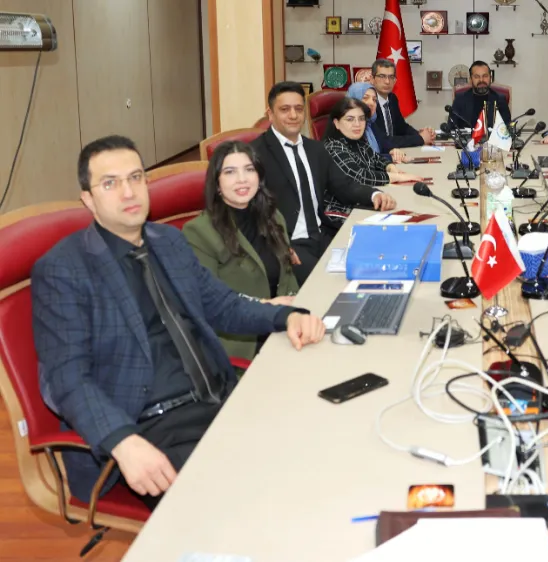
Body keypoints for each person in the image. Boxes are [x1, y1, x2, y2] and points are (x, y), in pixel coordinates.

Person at [32, 135, 327, 510]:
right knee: (248, 506)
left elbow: (223, 305)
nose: (128, 192)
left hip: (219, 399)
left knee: (314, 449)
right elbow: (66, 378)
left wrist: (286, 315)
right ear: (88, 199)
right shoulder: (63, 269)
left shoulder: (167, 241)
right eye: (110, 183)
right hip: (151, 427)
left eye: (136, 177)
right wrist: (122, 440)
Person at [250, 81, 396, 284]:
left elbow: (343, 185)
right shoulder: (254, 154)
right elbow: (248, 212)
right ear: (270, 114)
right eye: (285, 109)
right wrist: (274, 246)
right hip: (288, 245)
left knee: (376, 263)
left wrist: (374, 194)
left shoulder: (315, 149)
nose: (293, 115)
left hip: (322, 234)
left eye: (298, 109)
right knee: (331, 285)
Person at [182, 140, 300, 362]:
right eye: (230, 172)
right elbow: (208, 302)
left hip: (284, 329)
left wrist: (301, 313)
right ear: (217, 183)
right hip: (244, 343)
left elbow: (288, 278)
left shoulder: (273, 218)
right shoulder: (199, 232)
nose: (242, 179)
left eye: (249, 169)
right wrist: (267, 307)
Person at [323, 97, 424, 189]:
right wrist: (396, 177)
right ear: (336, 123)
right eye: (350, 119)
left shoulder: (359, 141)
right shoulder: (333, 147)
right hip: (346, 203)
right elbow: (360, 176)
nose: (357, 124)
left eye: (361, 119)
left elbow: (375, 158)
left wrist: (389, 167)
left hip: (367, 194)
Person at [370, 58, 435, 148]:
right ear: (372, 79)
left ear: (395, 81)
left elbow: (402, 127)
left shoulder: (392, 98)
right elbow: (383, 141)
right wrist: (420, 139)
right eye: (382, 76)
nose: (387, 81)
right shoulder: (369, 104)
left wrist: (421, 134)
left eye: (391, 77)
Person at [346, 81, 411, 164]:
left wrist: (395, 151)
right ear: (353, 101)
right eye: (365, 98)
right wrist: (390, 157)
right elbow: (363, 158)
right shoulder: (349, 128)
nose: (371, 103)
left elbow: (385, 144)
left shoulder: (371, 124)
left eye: (374, 100)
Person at [449, 60, 512, 132]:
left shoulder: (500, 99)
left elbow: (507, 128)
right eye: (476, 77)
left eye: (485, 76)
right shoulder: (460, 99)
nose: (481, 80)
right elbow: (451, 128)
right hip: (467, 139)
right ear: (471, 79)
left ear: (490, 78)